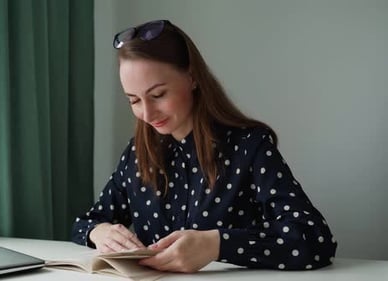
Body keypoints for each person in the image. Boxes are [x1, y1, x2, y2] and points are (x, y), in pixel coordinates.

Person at [72, 19, 337, 273]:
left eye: (158, 95)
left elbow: (314, 239)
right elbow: (85, 222)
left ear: (192, 78)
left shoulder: (249, 146)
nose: (147, 114)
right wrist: (100, 232)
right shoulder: (137, 153)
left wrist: (217, 244)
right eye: (134, 100)